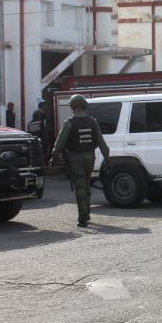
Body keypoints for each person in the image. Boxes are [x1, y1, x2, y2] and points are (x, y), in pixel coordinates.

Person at [49, 95, 110, 228]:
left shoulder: (69, 123)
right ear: (84, 105)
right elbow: (101, 142)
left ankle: (82, 217)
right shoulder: (92, 121)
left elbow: (59, 144)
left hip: (76, 157)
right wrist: (108, 158)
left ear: (72, 106)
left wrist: (53, 158)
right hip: (90, 156)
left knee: (80, 186)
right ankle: (87, 212)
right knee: (86, 183)